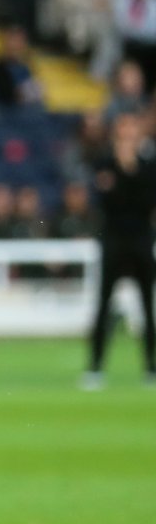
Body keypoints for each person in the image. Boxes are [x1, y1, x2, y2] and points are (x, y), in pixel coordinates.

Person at [82, 113, 156, 389]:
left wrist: (127, 171)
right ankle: (95, 367)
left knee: (148, 306)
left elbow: (146, 201)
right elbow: (104, 202)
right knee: (103, 305)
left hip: (140, 240)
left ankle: (151, 366)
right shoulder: (104, 162)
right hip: (113, 240)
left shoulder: (148, 165)